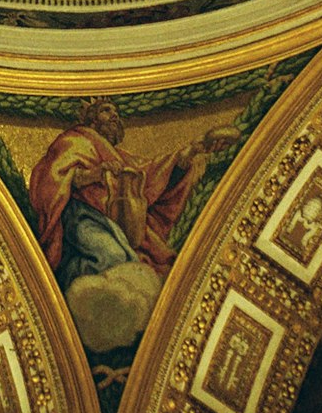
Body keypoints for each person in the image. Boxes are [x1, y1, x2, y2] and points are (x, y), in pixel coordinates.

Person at [28, 99, 238, 287]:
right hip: (81, 215)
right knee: (113, 258)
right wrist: (94, 174)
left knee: (136, 265)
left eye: (116, 112)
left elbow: (150, 176)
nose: (114, 116)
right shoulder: (75, 140)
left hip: (112, 223)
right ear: (92, 119)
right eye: (106, 110)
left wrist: (191, 151)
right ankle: (65, 277)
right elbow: (52, 177)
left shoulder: (118, 156)